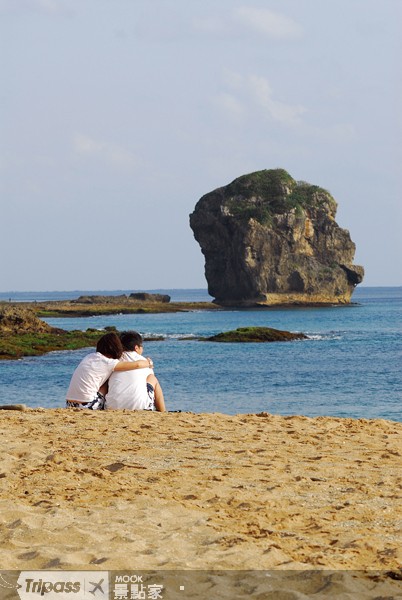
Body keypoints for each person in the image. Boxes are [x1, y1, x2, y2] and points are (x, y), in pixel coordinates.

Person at [66, 331, 153, 409]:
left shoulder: (89, 356)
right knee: (108, 381)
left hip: (70, 404)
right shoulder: (108, 363)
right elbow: (137, 364)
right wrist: (148, 362)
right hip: (87, 405)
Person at [106, 331, 166, 412]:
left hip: (111, 406)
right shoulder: (144, 361)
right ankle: (163, 411)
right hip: (140, 407)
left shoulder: (114, 360)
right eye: (141, 346)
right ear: (136, 348)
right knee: (152, 378)